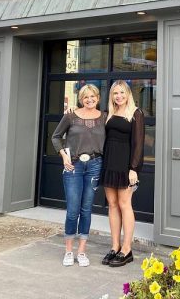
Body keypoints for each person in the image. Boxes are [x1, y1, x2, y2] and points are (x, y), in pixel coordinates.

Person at [51, 84, 106, 267]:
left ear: (98, 97)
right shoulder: (71, 116)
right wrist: (64, 155)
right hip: (73, 165)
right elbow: (56, 136)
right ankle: (68, 250)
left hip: (95, 165)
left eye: (92, 96)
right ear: (80, 99)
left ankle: (82, 251)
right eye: (85, 97)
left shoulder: (104, 117)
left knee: (86, 209)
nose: (89, 100)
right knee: (73, 209)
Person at [100, 80, 145, 267]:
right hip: (109, 163)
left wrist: (134, 168)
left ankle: (127, 249)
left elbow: (139, 144)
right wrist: (71, 111)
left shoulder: (136, 113)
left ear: (128, 94)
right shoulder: (108, 113)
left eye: (121, 93)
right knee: (112, 205)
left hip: (125, 166)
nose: (118, 96)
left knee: (125, 204)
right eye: (115, 93)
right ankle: (115, 246)